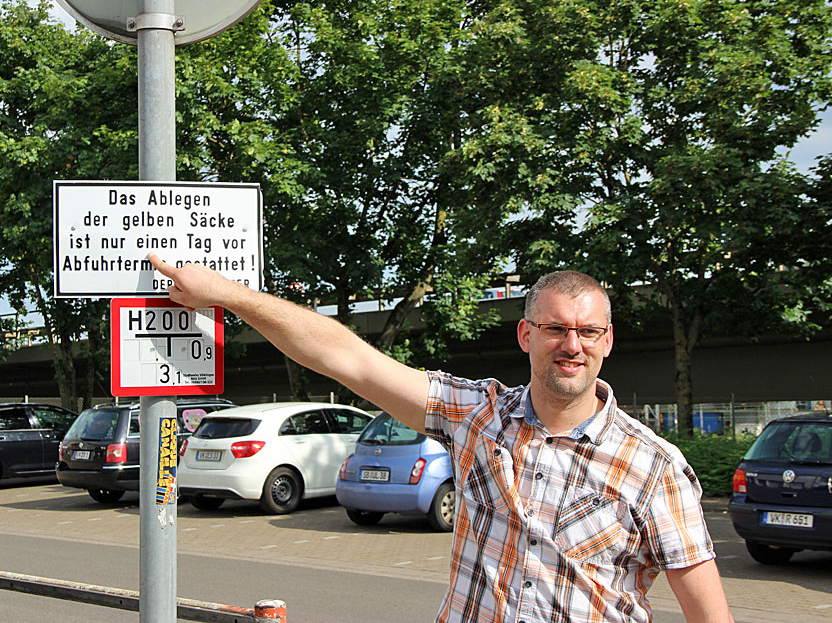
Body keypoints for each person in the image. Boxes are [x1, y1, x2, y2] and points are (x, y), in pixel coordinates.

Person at [148, 255, 733, 623]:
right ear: (527, 334)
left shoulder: (654, 465)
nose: (571, 344)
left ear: (608, 340)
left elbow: (708, 612)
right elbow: (345, 357)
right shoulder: (476, 416)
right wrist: (228, 294)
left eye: (587, 331)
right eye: (555, 328)